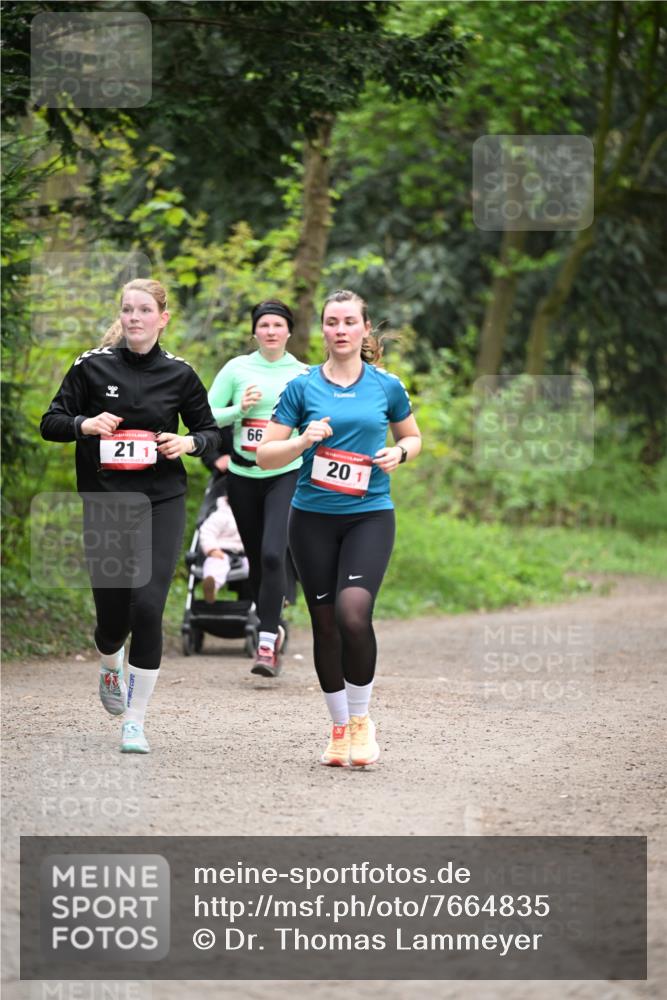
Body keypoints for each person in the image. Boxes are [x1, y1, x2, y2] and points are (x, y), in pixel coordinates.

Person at [40, 278, 221, 754]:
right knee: (112, 617)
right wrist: (84, 424)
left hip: (161, 501)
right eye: (127, 310)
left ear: (163, 319)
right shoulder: (90, 366)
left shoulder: (180, 374)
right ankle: (108, 662)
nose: (134, 318)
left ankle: (135, 722)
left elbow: (210, 432)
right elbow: (50, 422)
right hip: (106, 503)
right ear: (120, 316)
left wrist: (188, 442)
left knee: (148, 605)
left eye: (144, 310)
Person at [257, 289, 421, 767]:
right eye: (332, 322)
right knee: (325, 625)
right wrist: (302, 441)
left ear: (365, 328)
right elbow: (265, 454)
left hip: (369, 514)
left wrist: (400, 453)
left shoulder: (386, 386)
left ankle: (362, 721)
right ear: (323, 329)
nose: (341, 330)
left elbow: (412, 436)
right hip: (311, 518)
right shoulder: (302, 387)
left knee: (353, 614)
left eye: (350, 321)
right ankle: (338, 728)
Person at [208, 299, 307, 677]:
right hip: (242, 475)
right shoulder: (237, 368)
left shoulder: (302, 373)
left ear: (289, 331)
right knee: (255, 557)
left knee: (272, 554)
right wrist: (239, 411)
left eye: (278, 325)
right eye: (264, 325)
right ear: (254, 331)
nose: (270, 331)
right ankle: (271, 622)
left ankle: (266, 642)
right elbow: (206, 414)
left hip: (286, 473)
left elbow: (316, 421)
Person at [199, 493, 248, 603]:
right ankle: (212, 588)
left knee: (259, 568)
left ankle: (273, 593)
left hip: (244, 555)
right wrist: (212, 549)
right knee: (215, 565)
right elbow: (207, 532)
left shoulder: (250, 516)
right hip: (221, 552)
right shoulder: (221, 515)